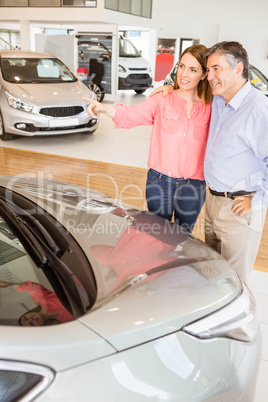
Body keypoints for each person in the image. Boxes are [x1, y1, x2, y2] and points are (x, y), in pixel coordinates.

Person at [154, 41, 268, 281]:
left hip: (239, 206)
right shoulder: (218, 100)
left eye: (217, 69)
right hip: (213, 201)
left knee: (234, 280)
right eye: (208, 70)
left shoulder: (258, 108)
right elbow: (187, 92)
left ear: (238, 69)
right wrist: (168, 88)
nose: (210, 76)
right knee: (213, 273)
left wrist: (257, 199)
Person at [83, 44, 212, 233]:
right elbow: (134, 114)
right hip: (160, 183)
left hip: (194, 186)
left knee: (184, 236)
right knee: (156, 234)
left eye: (193, 70)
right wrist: (104, 109)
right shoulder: (163, 99)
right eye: (182, 66)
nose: (184, 74)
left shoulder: (212, 107)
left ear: (203, 74)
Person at [0, 280, 74, 326]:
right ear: (39, 327)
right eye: (31, 324)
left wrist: (8, 285)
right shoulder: (64, 323)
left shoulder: (41, 300)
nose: (30, 319)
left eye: (26, 317)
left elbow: (31, 287)